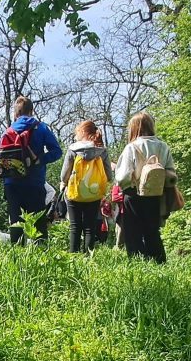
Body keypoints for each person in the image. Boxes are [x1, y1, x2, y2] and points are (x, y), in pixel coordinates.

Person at [114, 112, 175, 263]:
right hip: (156, 193)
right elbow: (171, 172)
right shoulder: (163, 146)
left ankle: (137, 262)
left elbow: (122, 176)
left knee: (133, 231)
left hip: (133, 193)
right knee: (152, 230)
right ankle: (159, 261)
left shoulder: (131, 147)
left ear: (134, 128)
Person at [1, 96, 62, 245]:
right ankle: (41, 253)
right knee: (38, 223)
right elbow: (57, 152)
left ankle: (16, 255)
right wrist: (40, 159)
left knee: (16, 223)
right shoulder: (41, 128)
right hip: (35, 183)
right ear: (31, 111)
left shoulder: (8, 131)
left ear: (15, 113)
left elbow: (0, 158)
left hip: (12, 184)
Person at [59, 121, 114, 253]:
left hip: (74, 193)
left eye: (77, 132)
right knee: (90, 227)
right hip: (94, 194)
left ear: (83, 132)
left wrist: (64, 183)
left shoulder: (73, 149)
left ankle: (73, 256)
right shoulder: (101, 151)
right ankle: (89, 256)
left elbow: (64, 176)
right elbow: (109, 176)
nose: (76, 136)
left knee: (75, 226)